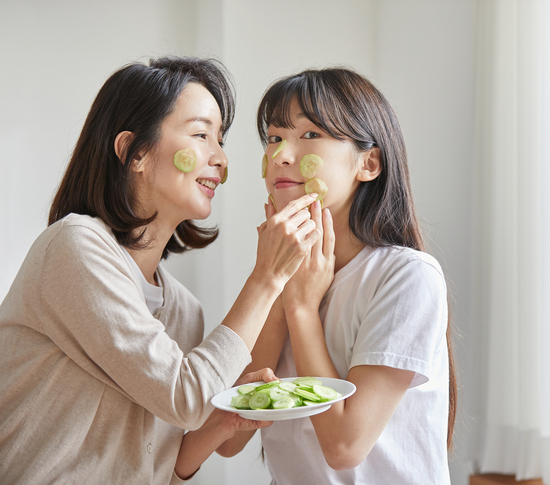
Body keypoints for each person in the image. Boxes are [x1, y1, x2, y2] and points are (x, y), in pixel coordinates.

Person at [0, 56, 321, 484]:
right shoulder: (75, 246)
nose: (220, 159)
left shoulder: (184, 311)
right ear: (134, 152)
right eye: (202, 134)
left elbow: (162, 468)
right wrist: (267, 279)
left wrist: (224, 420)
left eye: (220, 140)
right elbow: (185, 396)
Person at [216, 67, 457, 484]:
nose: (281, 156)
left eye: (310, 135)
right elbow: (227, 439)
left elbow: (344, 446)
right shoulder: (277, 276)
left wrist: (303, 308)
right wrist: (276, 283)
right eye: (274, 137)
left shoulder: (407, 277)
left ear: (369, 163)